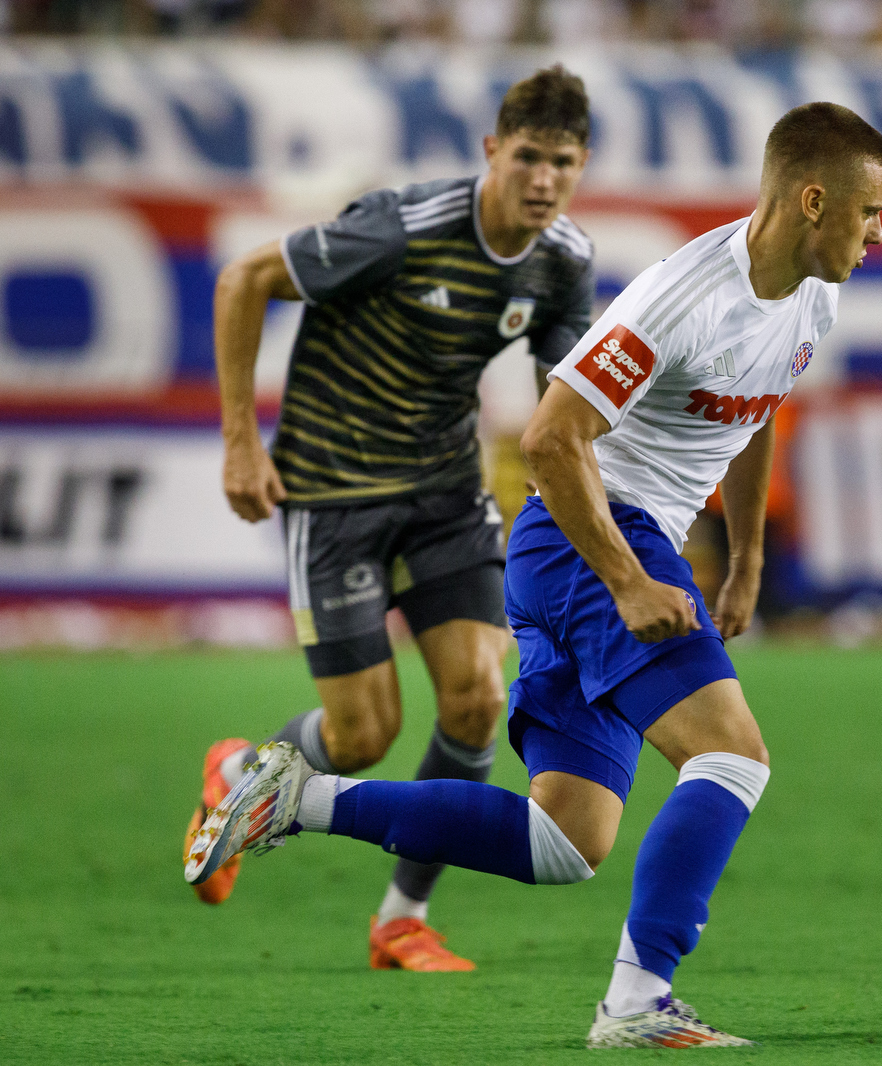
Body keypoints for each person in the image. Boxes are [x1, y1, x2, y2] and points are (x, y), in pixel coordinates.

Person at [186, 101, 882, 1047]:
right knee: (731, 757)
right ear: (814, 200)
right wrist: (631, 582)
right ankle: (637, 1002)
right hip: (590, 540)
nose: (878, 233)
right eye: (870, 212)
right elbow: (552, 438)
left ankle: (291, 797)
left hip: (598, 552)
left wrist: (748, 556)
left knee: (564, 842)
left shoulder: (813, 293)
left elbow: (756, 408)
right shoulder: (683, 295)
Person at [185, 67, 597, 972]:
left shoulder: (563, 260)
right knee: (363, 734)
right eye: (527, 157)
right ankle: (239, 778)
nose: (542, 180)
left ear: (580, 166)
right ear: (493, 151)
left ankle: (400, 919)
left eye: (561, 163)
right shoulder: (402, 227)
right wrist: (240, 443)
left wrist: (590, 522)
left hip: (445, 494)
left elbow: (565, 408)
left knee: (481, 699)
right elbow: (243, 278)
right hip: (334, 494)